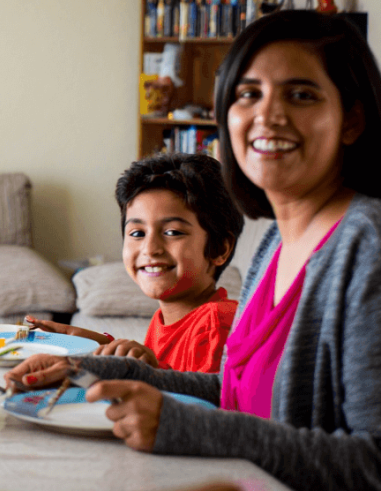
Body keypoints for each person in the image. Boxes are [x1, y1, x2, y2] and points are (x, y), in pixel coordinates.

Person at [5, 10, 381, 491]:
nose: (268, 115)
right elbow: (242, 401)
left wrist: (183, 427)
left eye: (301, 94)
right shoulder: (276, 246)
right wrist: (97, 370)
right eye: (248, 94)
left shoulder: (379, 247)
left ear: (352, 119)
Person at [28, 153, 242, 373]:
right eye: (137, 233)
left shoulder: (218, 323)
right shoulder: (165, 319)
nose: (150, 248)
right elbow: (167, 370)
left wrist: (146, 370)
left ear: (220, 248)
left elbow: (205, 401)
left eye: (172, 232)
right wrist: (100, 345)